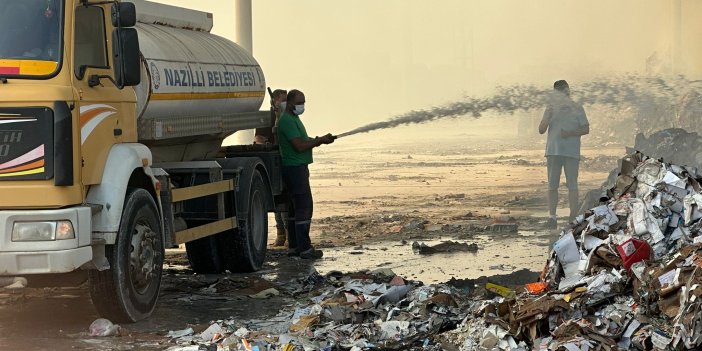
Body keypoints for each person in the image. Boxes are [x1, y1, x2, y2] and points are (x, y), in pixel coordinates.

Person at [277, 89, 335, 259]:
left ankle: (295, 247)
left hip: (296, 167)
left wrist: (319, 139)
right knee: (304, 207)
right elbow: (299, 146)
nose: (302, 106)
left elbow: (302, 139)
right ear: (289, 103)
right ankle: (304, 249)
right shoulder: (287, 120)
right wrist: (318, 141)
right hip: (294, 168)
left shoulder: (293, 118)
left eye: (304, 103)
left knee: (296, 209)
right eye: (299, 103)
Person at [539, 80, 589, 229]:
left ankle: (573, 217)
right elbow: (541, 129)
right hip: (553, 151)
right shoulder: (550, 108)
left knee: (572, 184)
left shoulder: (577, 107)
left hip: (571, 152)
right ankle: (552, 218)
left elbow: (586, 129)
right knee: (552, 185)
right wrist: (549, 115)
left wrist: (570, 133)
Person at [254, 89, 289, 246]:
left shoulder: (287, 117)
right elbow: (258, 137)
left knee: (286, 200)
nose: (285, 103)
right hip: (272, 163)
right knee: (277, 200)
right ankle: (281, 234)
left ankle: (288, 235)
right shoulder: (266, 118)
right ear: (274, 101)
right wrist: (266, 143)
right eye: (283, 100)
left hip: (286, 161)